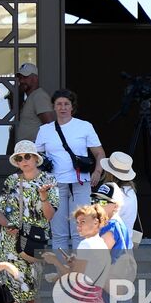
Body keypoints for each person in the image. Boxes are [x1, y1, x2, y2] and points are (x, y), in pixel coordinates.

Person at [0, 139, 57, 303]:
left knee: (34, 299)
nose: (23, 161)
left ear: (36, 158)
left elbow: (49, 215)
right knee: (11, 300)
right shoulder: (11, 180)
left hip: (34, 244)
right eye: (19, 158)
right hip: (10, 245)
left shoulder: (48, 180)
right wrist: (6, 225)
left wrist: (42, 196)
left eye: (27, 157)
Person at [35, 89, 106, 253]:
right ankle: (63, 274)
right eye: (59, 104)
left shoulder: (84, 126)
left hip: (80, 183)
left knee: (80, 231)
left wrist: (97, 172)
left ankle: (80, 274)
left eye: (66, 104)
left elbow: (99, 152)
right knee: (59, 233)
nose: (63, 107)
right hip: (54, 184)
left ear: (72, 107)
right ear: (53, 106)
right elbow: (36, 157)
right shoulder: (45, 130)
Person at [92, 175, 151, 303]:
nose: (97, 204)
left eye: (101, 201)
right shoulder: (130, 194)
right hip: (122, 259)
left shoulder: (112, 222)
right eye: (95, 200)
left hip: (116, 263)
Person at [13, 62, 55, 145]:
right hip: (27, 150)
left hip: (35, 150)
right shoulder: (31, 97)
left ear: (35, 78)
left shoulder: (39, 96)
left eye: (25, 77)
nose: (21, 81)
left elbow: (50, 125)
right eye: (20, 78)